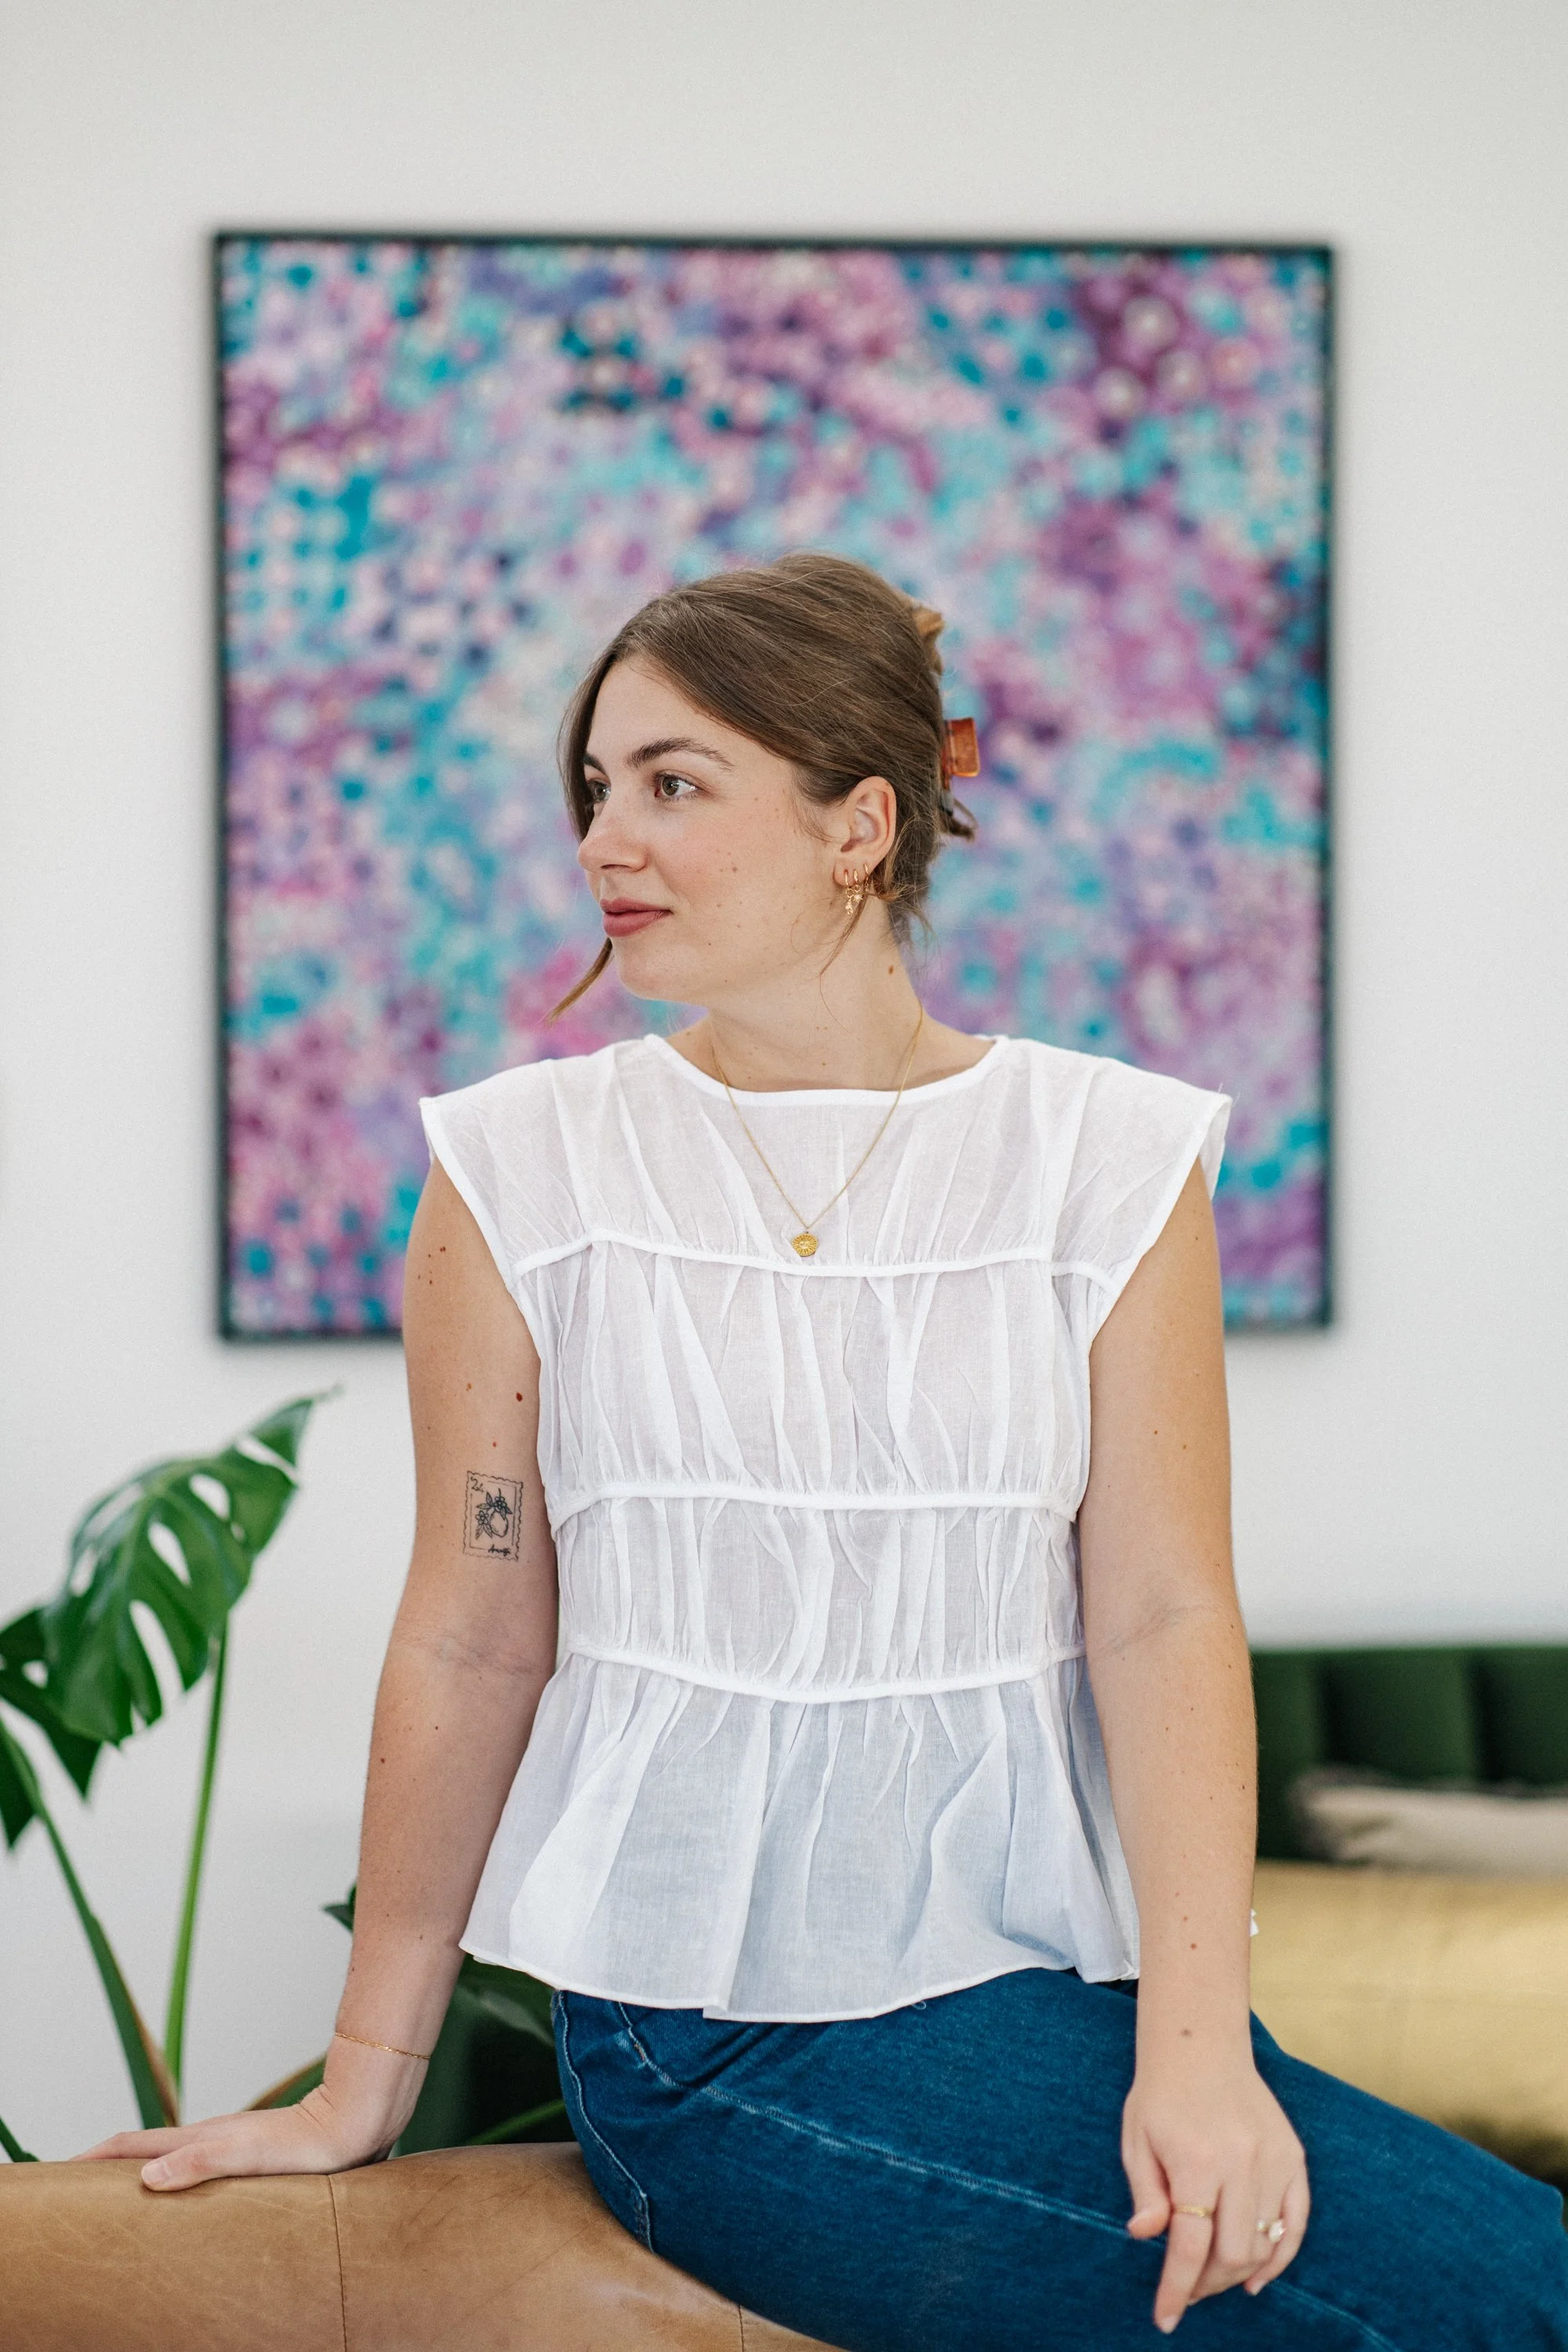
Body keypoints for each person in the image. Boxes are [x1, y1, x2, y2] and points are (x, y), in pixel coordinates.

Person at [86, 555, 1568, 2347]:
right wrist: (362, 2081)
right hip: (711, 2042)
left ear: (859, 824)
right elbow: (473, 1635)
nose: (604, 841)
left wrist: (1196, 2052)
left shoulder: (1103, 1160)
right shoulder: (520, 1173)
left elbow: (1163, 1616)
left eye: (672, 784)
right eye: (596, 788)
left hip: (1057, 1993)